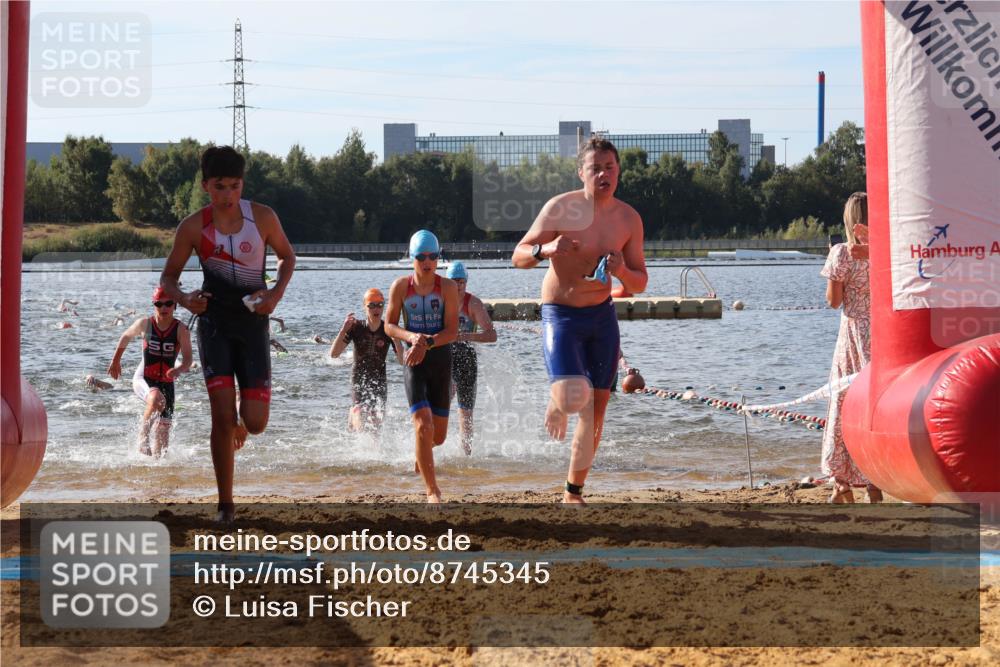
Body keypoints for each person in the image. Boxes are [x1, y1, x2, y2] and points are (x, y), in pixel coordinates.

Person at [160, 146, 296, 522]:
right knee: (220, 418)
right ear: (206, 186)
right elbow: (167, 278)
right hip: (214, 324)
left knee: (254, 422)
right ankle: (225, 505)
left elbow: (288, 257)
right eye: (220, 187)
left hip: (253, 324)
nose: (228, 195)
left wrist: (274, 295)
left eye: (235, 187)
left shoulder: (263, 218)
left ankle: (241, 417)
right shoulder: (193, 227)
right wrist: (186, 299)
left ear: (242, 185)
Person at [512, 137, 648, 504]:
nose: (604, 174)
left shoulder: (628, 219)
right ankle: (558, 401)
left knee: (596, 409)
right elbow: (518, 255)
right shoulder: (560, 208)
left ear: (618, 171)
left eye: (610, 168)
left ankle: (573, 491)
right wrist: (547, 249)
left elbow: (640, 282)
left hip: (601, 316)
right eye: (596, 168)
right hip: (561, 314)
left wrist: (620, 269)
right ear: (581, 172)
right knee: (573, 396)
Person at [383, 230, 459, 503]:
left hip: (439, 360)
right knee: (422, 426)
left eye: (433, 256)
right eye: (421, 257)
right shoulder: (401, 287)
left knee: (438, 437)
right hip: (413, 362)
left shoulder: (448, 288)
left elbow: (452, 331)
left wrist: (426, 342)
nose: (427, 261)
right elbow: (388, 325)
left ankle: (422, 453)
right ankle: (432, 491)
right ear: (411, 258)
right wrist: (411, 337)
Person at [821, 192, 881, 503]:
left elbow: (833, 302)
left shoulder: (842, 253)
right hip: (883, 335)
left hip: (853, 333)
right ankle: (876, 480)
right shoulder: (886, 252)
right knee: (877, 406)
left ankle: (842, 482)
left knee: (843, 403)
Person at [107, 287, 193, 457]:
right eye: (159, 304)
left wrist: (179, 369)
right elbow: (125, 337)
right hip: (144, 379)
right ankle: (142, 437)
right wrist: (116, 361)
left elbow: (189, 360)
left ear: (174, 305)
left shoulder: (181, 330)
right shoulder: (145, 324)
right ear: (154, 305)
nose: (164, 308)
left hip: (167, 384)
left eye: (168, 304)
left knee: (161, 447)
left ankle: (157, 476)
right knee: (156, 399)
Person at [329, 288, 405, 433]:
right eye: (372, 305)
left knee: (376, 425)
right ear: (365, 307)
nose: (376, 309)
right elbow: (334, 354)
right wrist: (343, 330)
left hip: (379, 380)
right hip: (359, 377)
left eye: (380, 305)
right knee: (360, 413)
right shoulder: (356, 327)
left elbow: (402, 361)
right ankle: (354, 417)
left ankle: (372, 454)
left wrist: (396, 341)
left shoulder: (387, 329)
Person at [446, 262, 497, 455]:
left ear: (466, 283)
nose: (458, 286)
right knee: (440, 405)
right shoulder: (439, 302)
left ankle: (466, 456)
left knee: (465, 413)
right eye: (453, 282)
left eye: (461, 282)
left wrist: (465, 336)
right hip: (444, 358)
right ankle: (430, 450)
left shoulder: (473, 304)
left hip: (466, 358)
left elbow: (491, 335)